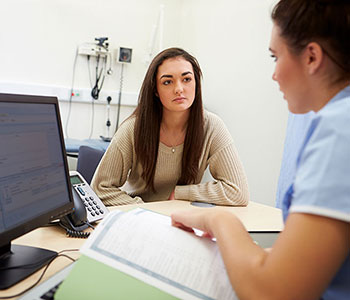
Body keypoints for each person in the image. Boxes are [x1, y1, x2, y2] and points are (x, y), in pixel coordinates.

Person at [172, 1, 350, 299]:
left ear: (311, 57)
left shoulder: (338, 129)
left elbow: (272, 292)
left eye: (275, 56)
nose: (274, 74)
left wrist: (218, 220)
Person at [91, 47, 249, 206]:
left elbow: (238, 192)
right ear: (156, 90)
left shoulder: (212, 126)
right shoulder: (133, 129)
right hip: (141, 219)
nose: (179, 89)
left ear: (196, 83)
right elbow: (100, 189)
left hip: (183, 219)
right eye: (167, 82)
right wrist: (144, 210)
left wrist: (181, 193)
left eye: (187, 79)